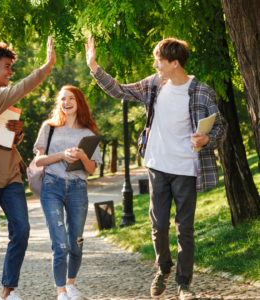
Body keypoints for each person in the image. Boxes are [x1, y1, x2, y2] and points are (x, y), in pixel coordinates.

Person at [85, 37, 228, 300]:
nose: (155, 65)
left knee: (184, 228)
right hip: (157, 166)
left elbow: (220, 127)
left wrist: (207, 138)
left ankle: (184, 283)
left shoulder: (201, 91)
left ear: (175, 63)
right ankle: (163, 268)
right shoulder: (154, 84)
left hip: (186, 167)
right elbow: (120, 91)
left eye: (159, 61)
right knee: (159, 224)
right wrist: (94, 67)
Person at [0, 36, 56, 300]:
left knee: (22, 229)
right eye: (6, 67)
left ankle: (8, 289)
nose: (10, 72)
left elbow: (3, 135)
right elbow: (19, 89)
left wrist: (19, 132)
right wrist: (46, 66)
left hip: (11, 175)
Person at [33, 85, 102, 300]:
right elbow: (39, 160)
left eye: (71, 98)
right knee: (60, 243)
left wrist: (81, 156)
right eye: (62, 99)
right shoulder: (49, 127)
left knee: (76, 241)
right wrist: (62, 154)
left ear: (79, 102)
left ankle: (71, 285)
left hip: (78, 189)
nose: (66, 102)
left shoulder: (88, 133)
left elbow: (91, 169)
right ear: (59, 103)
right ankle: (60, 291)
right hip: (52, 186)